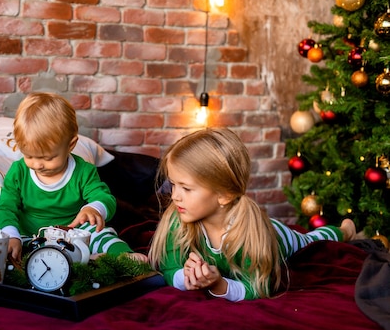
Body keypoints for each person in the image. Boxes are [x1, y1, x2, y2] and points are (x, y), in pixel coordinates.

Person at [148, 128, 356, 301]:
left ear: (224, 195)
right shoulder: (178, 218)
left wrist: (219, 284)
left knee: (311, 239)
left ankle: (344, 230)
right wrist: (186, 277)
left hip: (277, 236)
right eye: (173, 185)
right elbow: (169, 266)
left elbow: (258, 287)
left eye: (186, 188)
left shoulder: (252, 235)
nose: (175, 196)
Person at [0, 92, 148, 263]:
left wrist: (94, 209)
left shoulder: (83, 171)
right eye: (29, 156)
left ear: (71, 145)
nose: (38, 164)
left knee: (101, 233)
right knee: (12, 243)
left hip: (74, 234)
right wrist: (12, 235)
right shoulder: (19, 172)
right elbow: (6, 208)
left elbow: (104, 197)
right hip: (32, 235)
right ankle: (80, 260)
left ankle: (123, 256)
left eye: (48, 158)